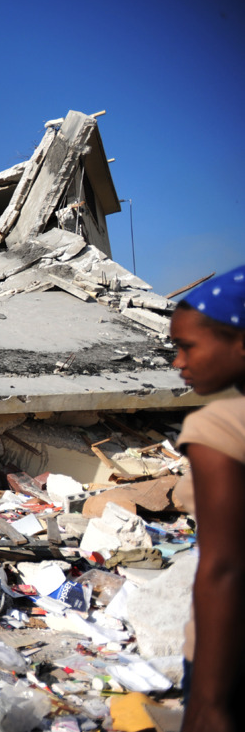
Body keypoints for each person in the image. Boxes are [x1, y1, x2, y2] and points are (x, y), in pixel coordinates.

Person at [170, 264, 245, 732]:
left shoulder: (218, 426)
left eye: (188, 346)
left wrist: (209, 701)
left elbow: (225, 567)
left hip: (230, 662)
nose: (178, 362)